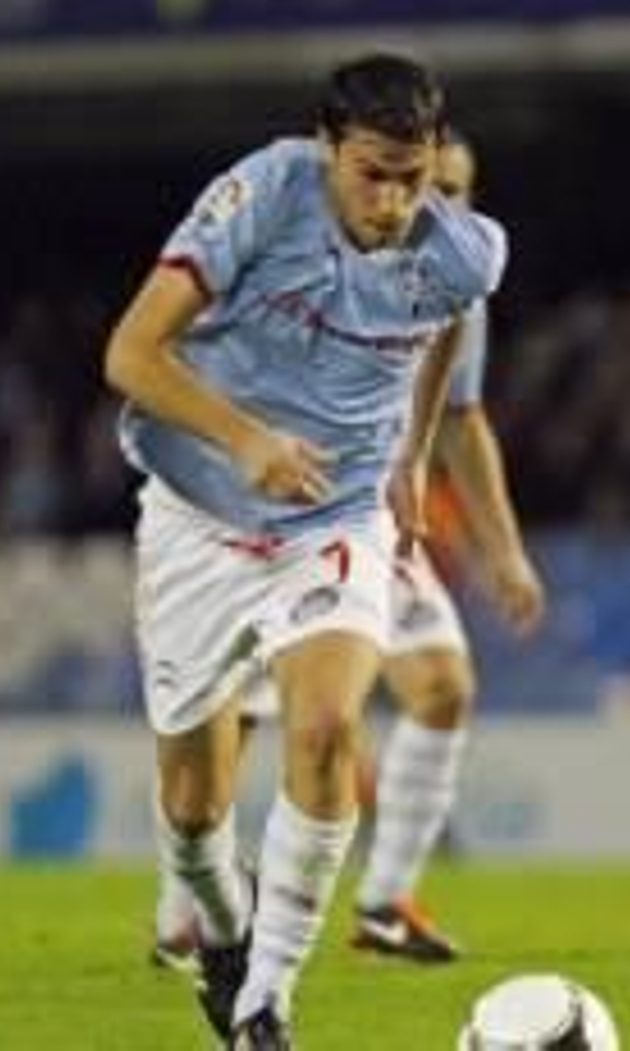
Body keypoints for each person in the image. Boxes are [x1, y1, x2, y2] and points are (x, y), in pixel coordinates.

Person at [106, 53, 506, 1049]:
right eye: (372, 174)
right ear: (327, 148)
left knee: (325, 729)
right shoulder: (261, 194)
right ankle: (226, 933)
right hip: (198, 518)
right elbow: (130, 354)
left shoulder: (464, 251)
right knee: (193, 810)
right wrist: (245, 439)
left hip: (334, 519)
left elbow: (447, 324)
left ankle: (266, 1003)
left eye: (412, 178)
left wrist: (412, 451)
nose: (393, 201)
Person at [148, 134, 545, 973]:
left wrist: (502, 551)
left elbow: (461, 418)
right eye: (430, 188)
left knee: (442, 684)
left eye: (454, 191)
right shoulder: (304, 255)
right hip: (260, 512)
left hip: (363, 521)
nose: (435, 206)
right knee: (231, 715)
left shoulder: (453, 288)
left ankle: (384, 902)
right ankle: (190, 911)